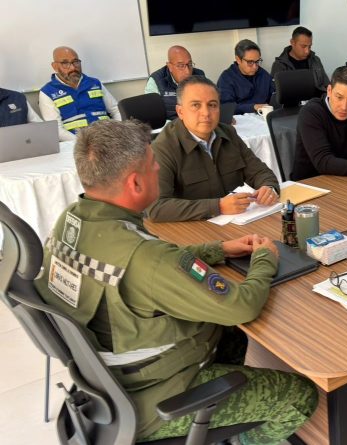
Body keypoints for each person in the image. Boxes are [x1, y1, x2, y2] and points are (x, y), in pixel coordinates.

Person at [33, 119, 317, 444]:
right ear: (136, 184)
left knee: (230, 334)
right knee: (298, 396)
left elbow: (152, 260)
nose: (159, 171)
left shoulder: (72, 218)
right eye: (154, 166)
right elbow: (242, 305)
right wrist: (266, 258)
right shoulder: (145, 258)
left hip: (107, 381)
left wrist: (217, 249)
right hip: (153, 397)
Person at [148, 76, 280, 222]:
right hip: (192, 230)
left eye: (212, 105)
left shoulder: (228, 133)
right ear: (180, 112)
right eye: (196, 105)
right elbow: (156, 208)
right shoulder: (163, 147)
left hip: (234, 224)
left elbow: (260, 172)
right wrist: (217, 206)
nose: (206, 113)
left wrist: (268, 188)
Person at [39, 46, 121, 141]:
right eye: (65, 63)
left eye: (76, 62)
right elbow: (56, 129)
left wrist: (117, 132)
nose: (73, 68)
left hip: (108, 138)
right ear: (54, 66)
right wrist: (82, 144)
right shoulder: (47, 92)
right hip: (77, 144)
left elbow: (116, 110)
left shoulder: (94, 83)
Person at [145, 46, 206, 120]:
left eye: (189, 64)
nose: (187, 71)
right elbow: (154, 116)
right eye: (181, 66)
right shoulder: (155, 80)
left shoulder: (199, 75)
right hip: (170, 127)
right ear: (169, 66)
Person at [217, 39, 276, 114]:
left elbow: (275, 95)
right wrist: (253, 107)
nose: (255, 67)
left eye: (257, 61)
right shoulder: (226, 78)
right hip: (240, 121)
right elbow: (226, 107)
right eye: (250, 62)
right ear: (238, 59)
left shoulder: (263, 74)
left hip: (262, 117)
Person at [271, 26, 331, 95]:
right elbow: (277, 95)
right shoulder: (279, 65)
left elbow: (327, 86)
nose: (307, 51)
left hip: (318, 102)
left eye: (309, 46)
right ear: (292, 42)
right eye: (303, 46)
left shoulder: (316, 60)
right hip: (294, 103)